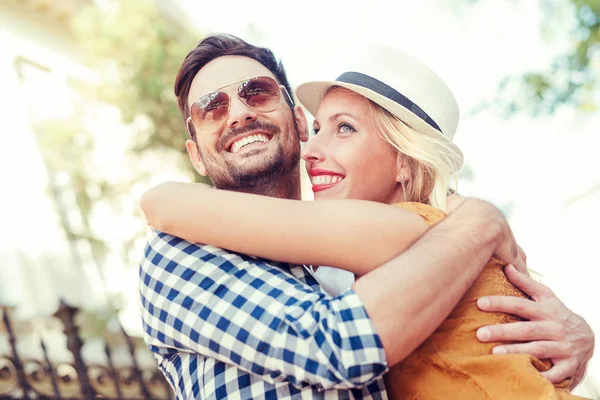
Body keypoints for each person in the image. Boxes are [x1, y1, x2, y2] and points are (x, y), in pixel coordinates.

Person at [139, 34, 594, 399]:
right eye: (211, 108)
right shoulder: (178, 247)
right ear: (195, 155)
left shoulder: (369, 255)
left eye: (256, 93)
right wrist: (485, 218)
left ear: (296, 122)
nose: (237, 113)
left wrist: (579, 335)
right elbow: (335, 346)